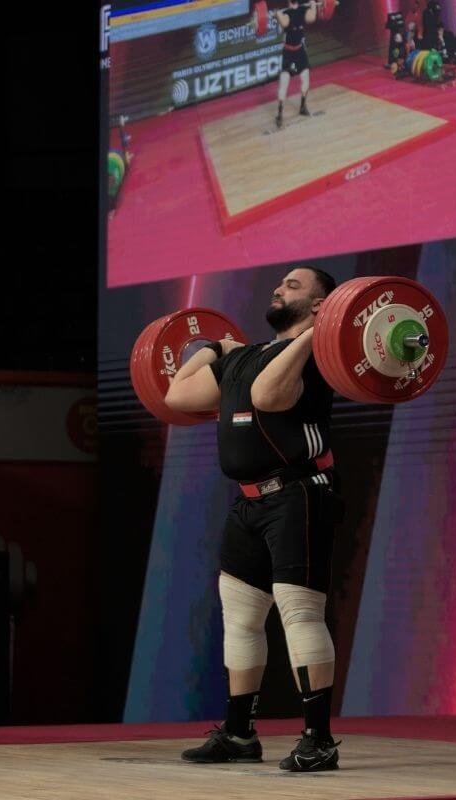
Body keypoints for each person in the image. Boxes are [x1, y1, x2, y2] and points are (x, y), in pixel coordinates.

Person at [165, 267, 344, 772]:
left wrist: (322, 330)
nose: (278, 289)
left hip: (300, 494)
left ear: (318, 304)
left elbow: (268, 397)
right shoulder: (242, 357)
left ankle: (320, 740)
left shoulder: (321, 353)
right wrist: (213, 350)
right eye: (279, 283)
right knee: (241, 619)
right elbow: (178, 396)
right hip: (247, 503)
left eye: (293, 285)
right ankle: (241, 734)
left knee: (299, 613)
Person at [274, 0, 318, 129]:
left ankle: (281, 114)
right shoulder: (304, 11)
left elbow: (283, 23)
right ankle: (300, 108)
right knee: (304, 80)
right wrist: (314, 5)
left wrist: (277, 14)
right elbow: (312, 18)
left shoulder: (286, 14)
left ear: (288, 1)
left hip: (293, 51)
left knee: (286, 83)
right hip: (295, 51)